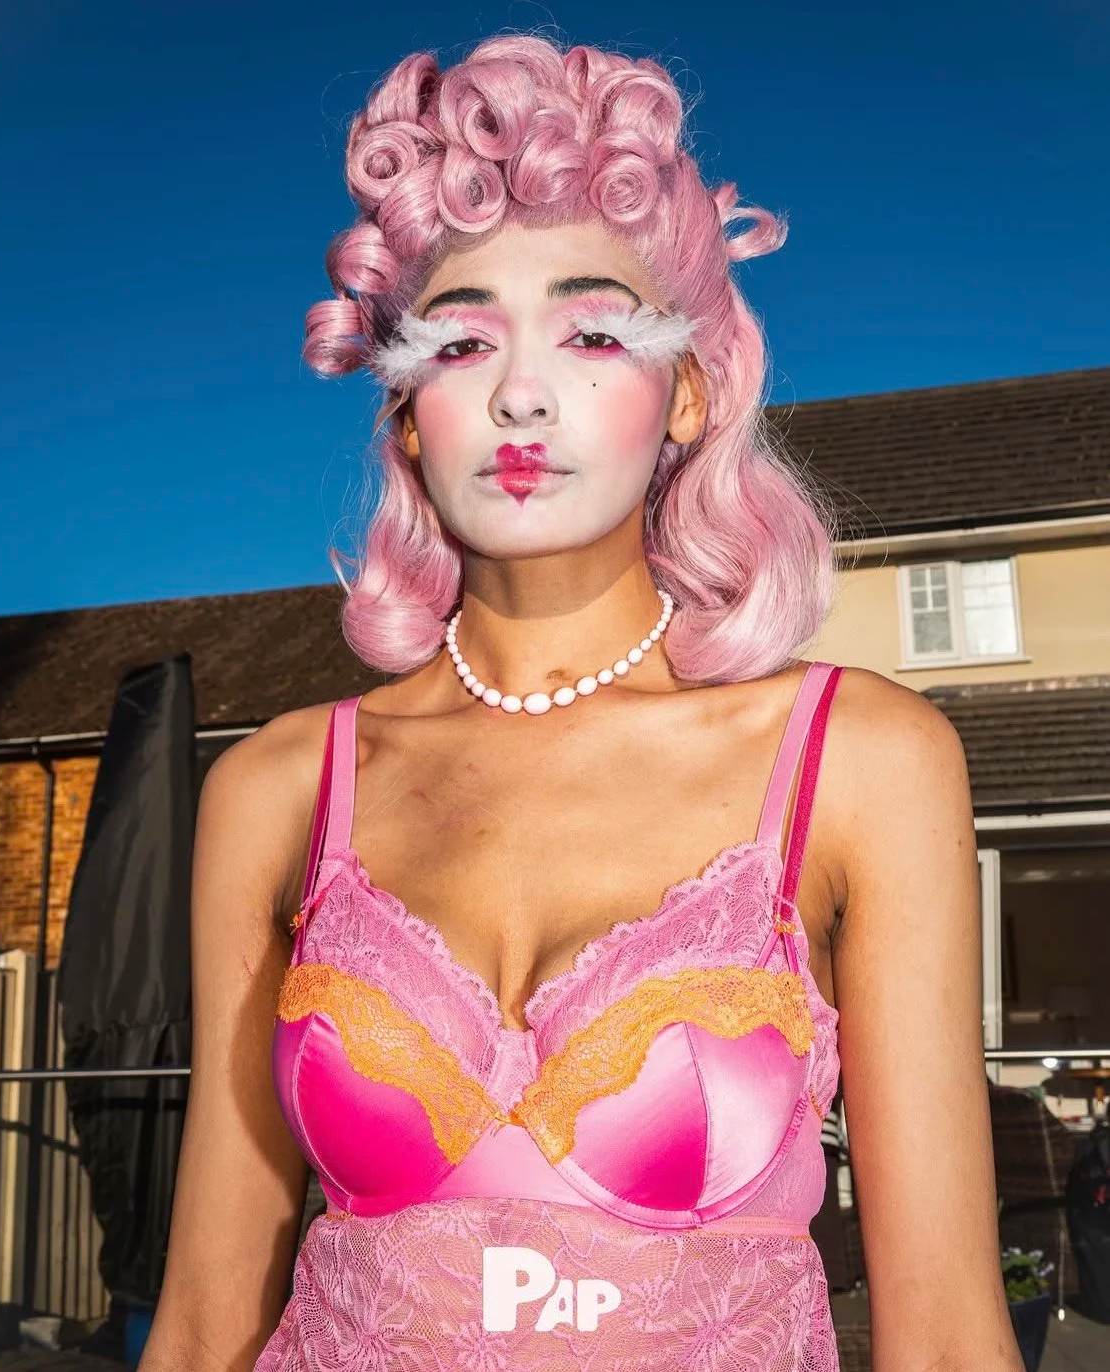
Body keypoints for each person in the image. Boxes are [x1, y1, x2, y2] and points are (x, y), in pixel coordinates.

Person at [142, 33, 1025, 1372]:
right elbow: (208, 1314)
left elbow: (949, 1336)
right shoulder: (274, 788)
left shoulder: (862, 763)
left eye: (594, 330)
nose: (524, 393)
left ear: (688, 395)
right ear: (401, 418)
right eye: (462, 341)